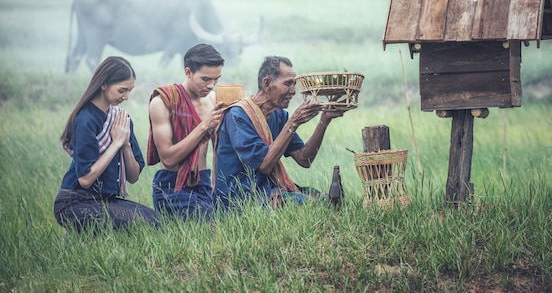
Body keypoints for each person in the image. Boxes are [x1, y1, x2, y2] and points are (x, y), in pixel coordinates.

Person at [213, 55, 344, 209]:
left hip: (267, 190)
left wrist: (324, 120)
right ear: (267, 83)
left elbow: (304, 160)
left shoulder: (279, 115)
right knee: (310, 205)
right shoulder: (238, 115)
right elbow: (264, 165)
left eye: (294, 84)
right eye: (288, 84)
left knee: (322, 199)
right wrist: (293, 123)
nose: (293, 91)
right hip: (239, 197)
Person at [54, 56, 158, 232]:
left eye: (130, 91)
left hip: (106, 200)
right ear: (104, 84)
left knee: (156, 221)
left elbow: (133, 177)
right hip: (75, 202)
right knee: (143, 225)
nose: (126, 97)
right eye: (122, 90)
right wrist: (116, 143)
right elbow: (85, 180)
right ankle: (79, 234)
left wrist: (125, 144)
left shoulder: (121, 118)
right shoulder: (85, 119)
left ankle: (83, 235)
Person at [147, 44, 226, 219]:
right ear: (188, 72)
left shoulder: (214, 100)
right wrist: (204, 126)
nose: (211, 85)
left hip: (204, 183)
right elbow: (168, 159)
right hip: (172, 187)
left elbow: (220, 150)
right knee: (214, 224)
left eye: (216, 79)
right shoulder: (164, 101)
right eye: (205, 79)